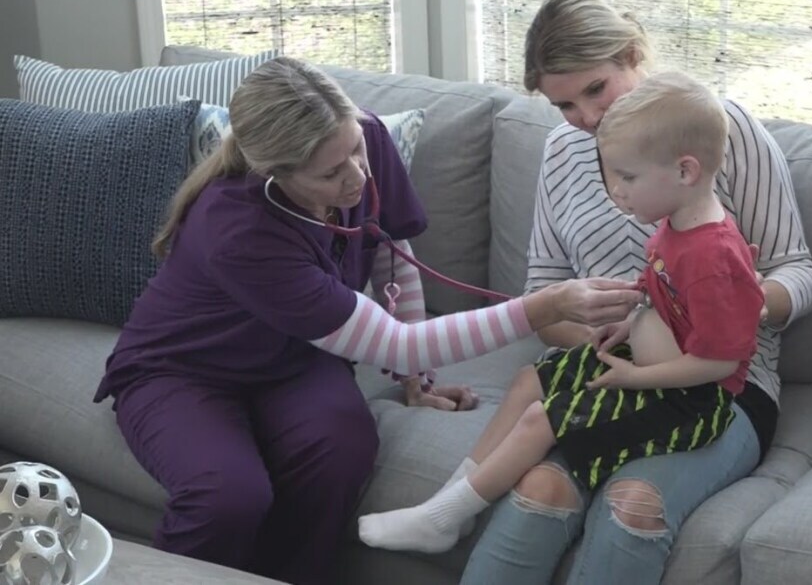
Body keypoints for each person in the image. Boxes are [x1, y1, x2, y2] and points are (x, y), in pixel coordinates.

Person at [90, 56, 642, 585]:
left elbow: (388, 247)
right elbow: (396, 344)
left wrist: (417, 380)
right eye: (331, 173)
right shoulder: (238, 227)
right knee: (228, 495)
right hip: (183, 371)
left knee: (343, 450)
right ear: (273, 172)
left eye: (355, 150)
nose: (356, 176)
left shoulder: (367, 136)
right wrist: (545, 306)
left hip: (296, 357)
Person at [459, 0, 812, 585]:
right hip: (611, 375)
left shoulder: (719, 130)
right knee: (541, 489)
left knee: (633, 503)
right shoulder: (561, 152)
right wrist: (604, 339)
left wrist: (741, 304)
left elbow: (798, 270)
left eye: (595, 89)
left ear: (631, 54)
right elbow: (543, 296)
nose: (585, 116)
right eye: (564, 104)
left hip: (723, 385)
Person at [356, 70, 768, 556]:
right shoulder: (675, 225)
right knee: (530, 380)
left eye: (629, 178)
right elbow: (667, 299)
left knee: (540, 419)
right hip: (645, 364)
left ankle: (442, 517)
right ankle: (449, 511)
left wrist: (634, 377)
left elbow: (721, 362)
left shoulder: (712, 257)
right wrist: (627, 322)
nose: (617, 192)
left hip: (689, 401)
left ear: (685, 171)